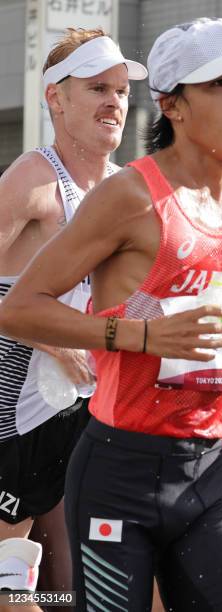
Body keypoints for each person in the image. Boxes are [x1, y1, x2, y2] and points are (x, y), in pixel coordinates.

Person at [0, 18, 222, 611]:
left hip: (204, 470)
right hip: (118, 464)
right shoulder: (128, 197)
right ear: (172, 105)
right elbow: (18, 308)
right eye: (220, 83)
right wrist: (141, 335)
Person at [0, 27, 146, 608]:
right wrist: (53, 336)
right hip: (18, 410)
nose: (114, 102)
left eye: (121, 90)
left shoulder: (124, 190)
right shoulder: (34, 180)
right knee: (26, 582)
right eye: (97, 89)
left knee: (111, 574)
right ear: (56, 100)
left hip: (95, 403)